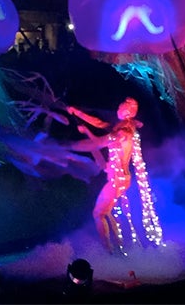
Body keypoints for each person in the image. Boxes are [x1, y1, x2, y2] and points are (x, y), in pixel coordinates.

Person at [67, 97, 162, 254]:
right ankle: (118, 247)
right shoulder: (123, 127)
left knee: (98, 214)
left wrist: (67, 146)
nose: (116, 110)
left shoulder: (123, 131)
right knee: (106, 212)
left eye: (119, 107)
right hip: (120, 179)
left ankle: (109, 252)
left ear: (126, 111)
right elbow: (99, 124)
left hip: (117, 180)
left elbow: (100, 142)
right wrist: (78, 114)